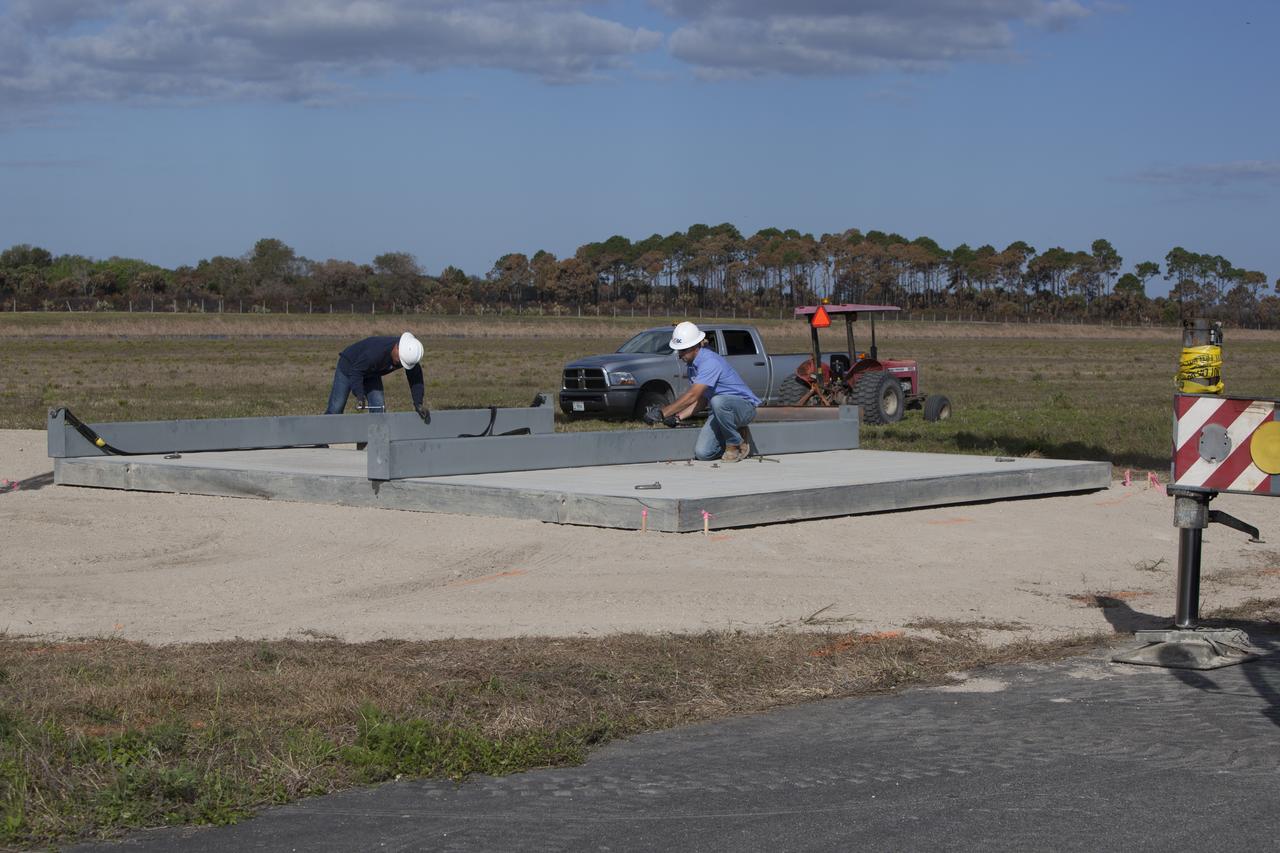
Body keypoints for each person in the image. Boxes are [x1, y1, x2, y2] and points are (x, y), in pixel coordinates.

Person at [643, 321, 759, 462]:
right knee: (703, 453)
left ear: (695, 347)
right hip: (721, 411)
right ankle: (736, 433)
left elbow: (692, 395)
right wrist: (678, 417)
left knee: (718, 401)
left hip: (744, 408)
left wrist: (663, 413)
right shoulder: (692, 367)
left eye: (683, 350)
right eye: (679, 350)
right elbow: (702, 400)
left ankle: (735, 443)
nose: (680, 355)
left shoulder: (709, 362)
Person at [324, 332, 431, 423]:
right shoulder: (374, 353)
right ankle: (321, 438)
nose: (399, 363)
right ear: (397, 347)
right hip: (349, 366)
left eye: (403, 363)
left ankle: (374, 441)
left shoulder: (408, 357)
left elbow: (416, 380)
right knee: (336, 406)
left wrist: (418, 403)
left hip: (372, 372)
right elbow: (356, 372)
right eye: (399, 360)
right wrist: (360, 395)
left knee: (378, 406)